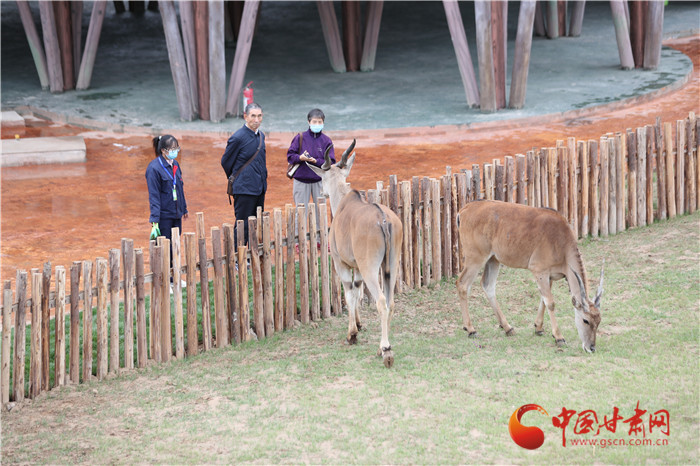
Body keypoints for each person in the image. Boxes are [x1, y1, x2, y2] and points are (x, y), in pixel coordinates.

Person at [221, 103, 266, 247]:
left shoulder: (261, 136)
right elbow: (226, 162)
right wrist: (239, 177)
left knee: (256, 223)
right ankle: (236, 257)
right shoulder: (238, 138)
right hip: (244, 188)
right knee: (243, 224)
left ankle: (249, 255)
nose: (256, 119)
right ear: (245, 116)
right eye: (253, 116)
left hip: (259, 187)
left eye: (259, 116)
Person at [286, 108, 335, 229]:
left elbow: (331, 162)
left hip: (319, 180)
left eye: (319, 122)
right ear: (309, 122)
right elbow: (290, 156)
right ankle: (299, 240)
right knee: (300, 211)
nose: (317, 124)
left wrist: (316, 162)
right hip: (301, 181)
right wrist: (300, 158)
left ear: (323, 123)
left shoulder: (326, 141)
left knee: (320, 211)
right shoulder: (300, 137)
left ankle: (320, 239)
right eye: (314, 122)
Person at [146, 134, 188, 244]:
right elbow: (154, 195)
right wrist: (155, 220)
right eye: (172, 149)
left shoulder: (175, 164)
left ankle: (174, 262)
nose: (176, 152)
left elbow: (179, 188)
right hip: (164, 217)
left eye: (177, 148)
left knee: (176, 245)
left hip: (176, 214)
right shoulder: (154, 169)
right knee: (165, 248)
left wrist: (184, 208)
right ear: (163, 151)